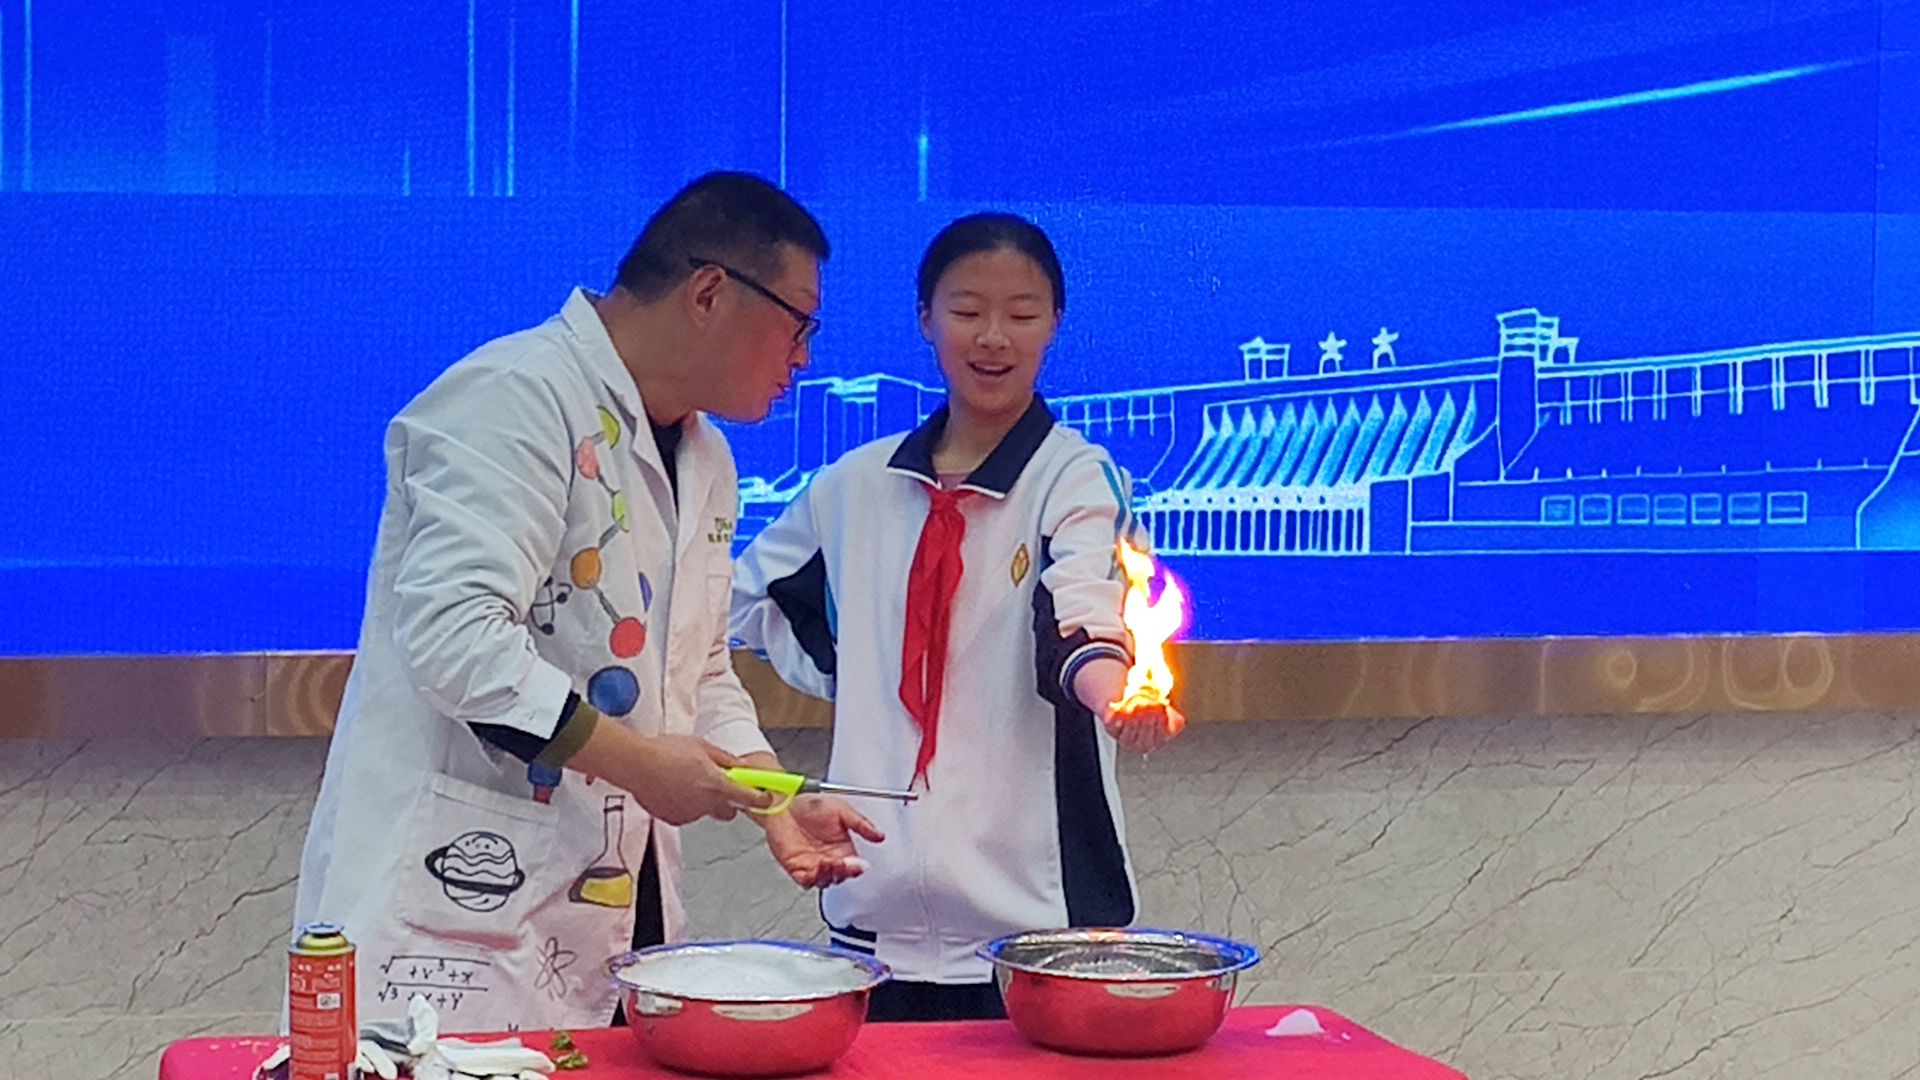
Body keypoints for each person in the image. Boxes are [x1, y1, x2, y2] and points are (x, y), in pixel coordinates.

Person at [293, 172, 880, 1032]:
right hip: (454, 918)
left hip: (609, 916)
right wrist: (639, 765)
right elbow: (457, 642)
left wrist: (774, 794)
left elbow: (695, 669)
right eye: (800, 325)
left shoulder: (707, 457)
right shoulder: (514, 398)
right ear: (709, 293)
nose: (804, 359)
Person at [730, 212, 1183, 1022]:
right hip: (873, 916)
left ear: (1054, 323)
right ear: (925, 319)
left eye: (1022, 312)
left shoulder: (1075, 478)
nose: (994, 337)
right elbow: (740, 601)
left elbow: (1081, 618)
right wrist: (858, 672)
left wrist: (1116, 695)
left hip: (1040, 930)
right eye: (968, 310)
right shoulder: (855, 485)